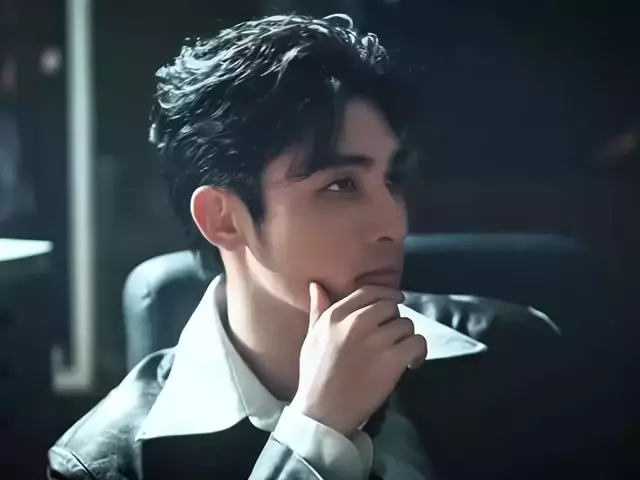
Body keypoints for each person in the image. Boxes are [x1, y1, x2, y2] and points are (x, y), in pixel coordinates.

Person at [47, 13, 558, 480]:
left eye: (392, 179)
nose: (395, 224)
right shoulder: (102, 465)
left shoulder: (518, 356)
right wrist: (316, 433)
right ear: (223, 219)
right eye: (341, 185)